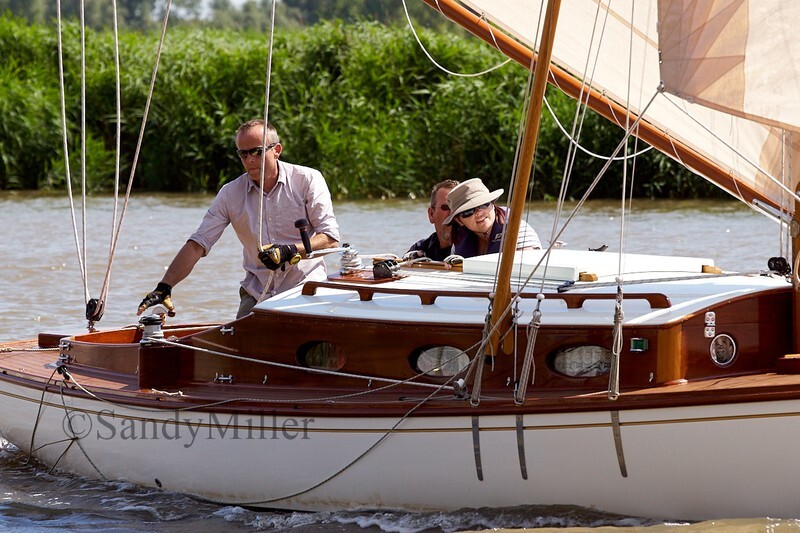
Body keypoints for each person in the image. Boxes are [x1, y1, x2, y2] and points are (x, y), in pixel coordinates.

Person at [137, 119, 340, 319]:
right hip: (257, 293)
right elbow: (198, 243)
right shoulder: (230, 193)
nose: (250, 159)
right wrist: (164, 287)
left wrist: (290, 250)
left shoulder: (308, 180)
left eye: (257, 151)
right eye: (243, 154)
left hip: (306, 288)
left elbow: (330, 239)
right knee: (235, 344)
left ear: (277, 150)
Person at [444, 177, 541, 258]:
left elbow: (526, 270)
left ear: (493, 204)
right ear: (459, 220)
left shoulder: (518, 231)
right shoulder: (457, 243)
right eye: (468, 211)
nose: (479, 213)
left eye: (484, 204)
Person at [404, 179, 459, 261]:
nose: (452, 214)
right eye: (446, 208)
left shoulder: (477, 247)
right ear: (431, 214)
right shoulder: (420, 249)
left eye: (457, 207)